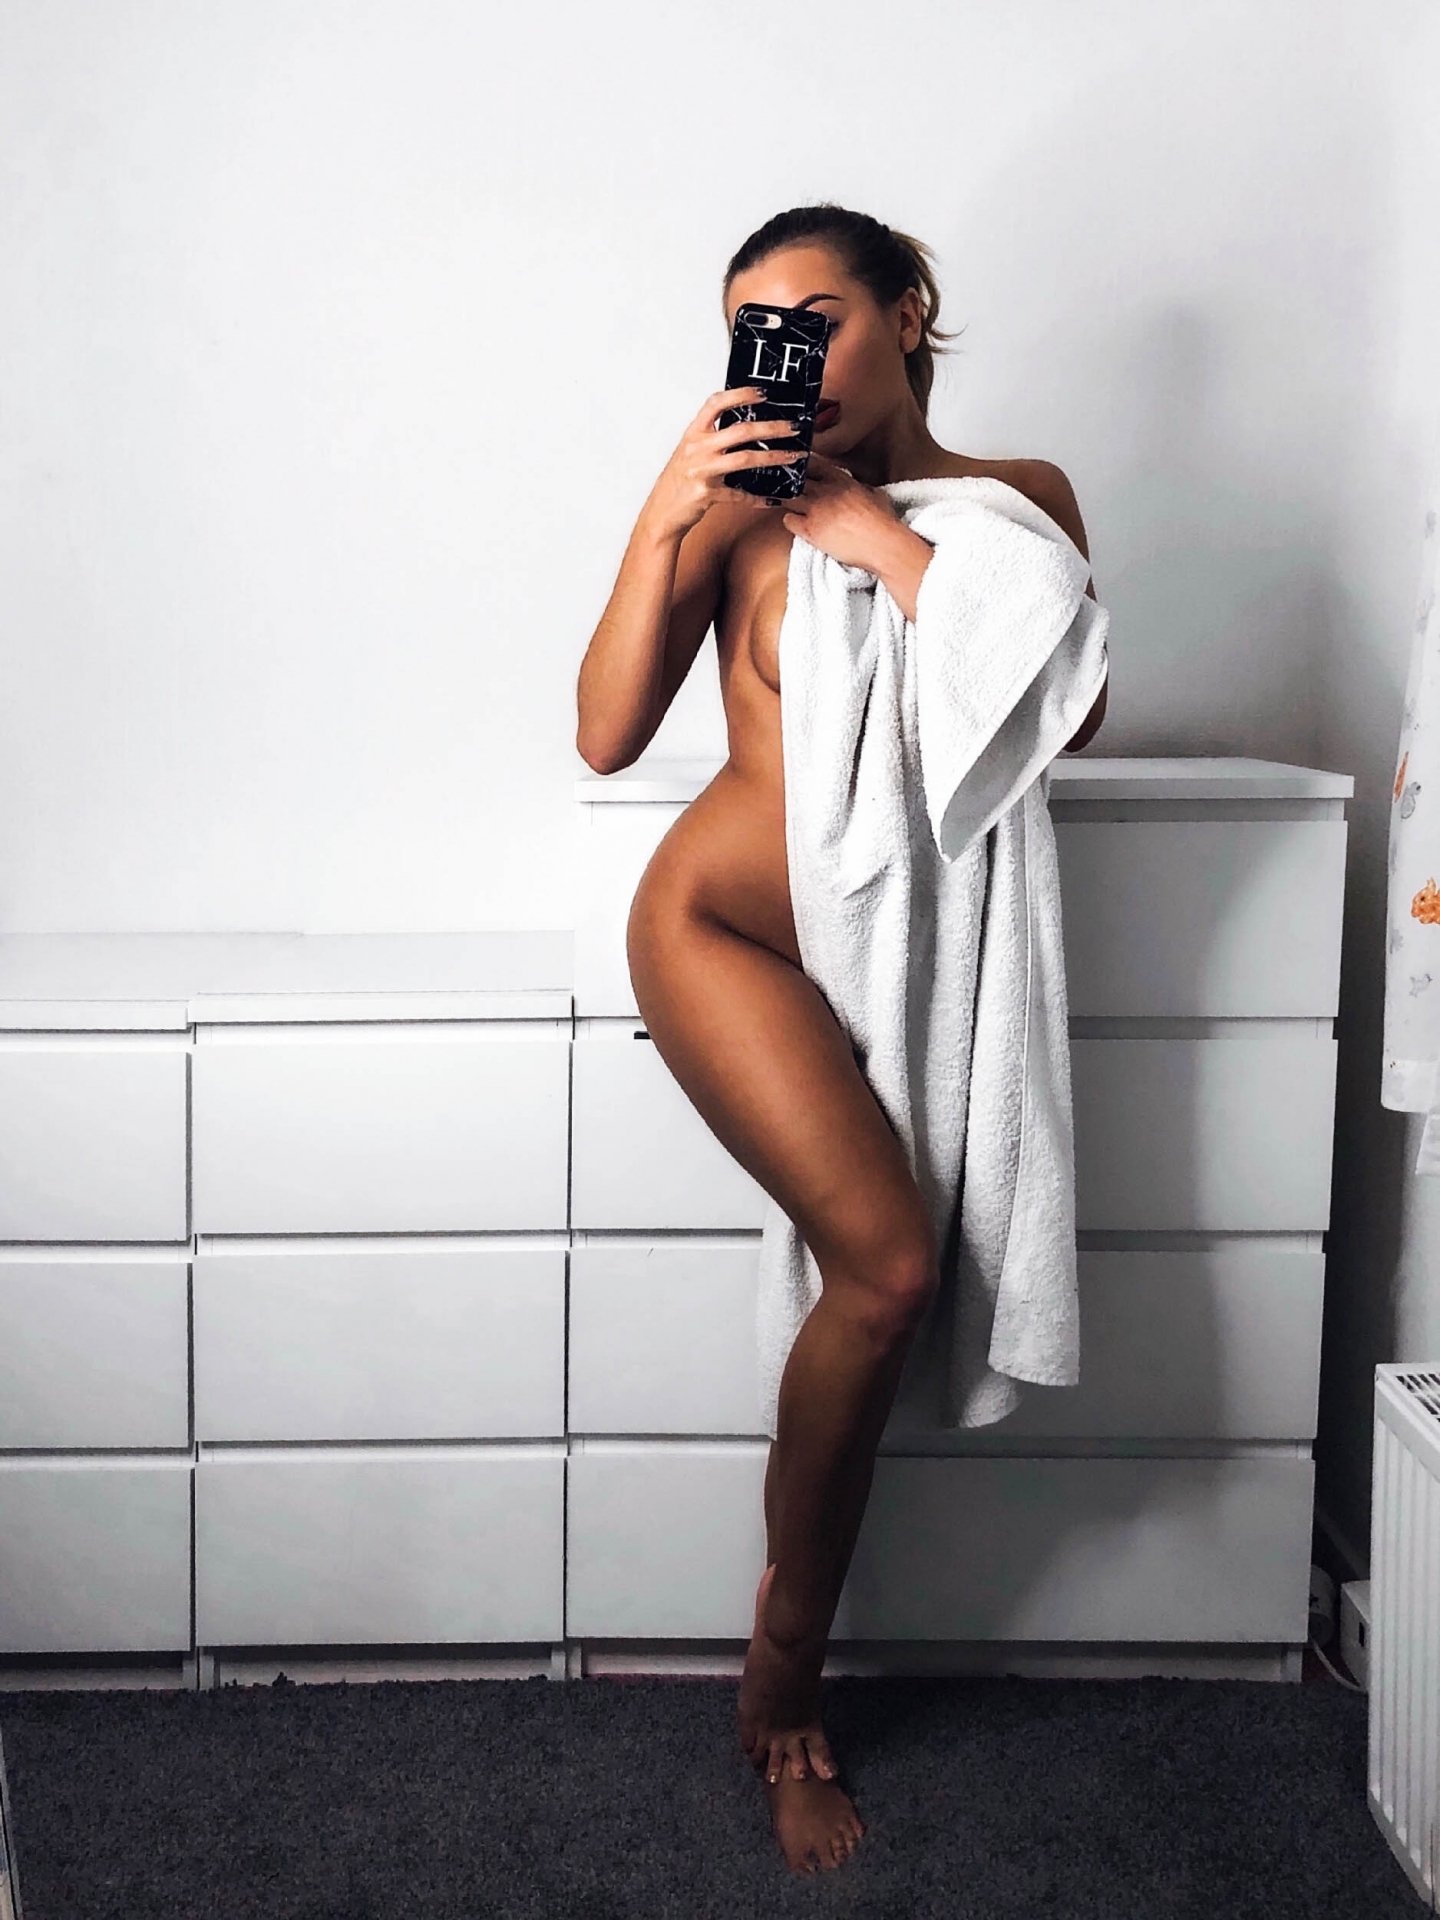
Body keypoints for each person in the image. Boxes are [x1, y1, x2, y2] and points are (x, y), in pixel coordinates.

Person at [574, 202, 1108, 1878]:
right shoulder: (732, 515)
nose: (787, 354)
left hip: (908, 965)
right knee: (887, 1267)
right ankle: (786, 1673)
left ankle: (784, 1645)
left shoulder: (1013, 501)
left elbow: (1078, 706)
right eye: (757, 329)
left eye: (817, 317)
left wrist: (875, 535)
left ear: (908, 313)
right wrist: (671, 510)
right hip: (722, 934)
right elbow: (604, 735)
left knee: (888, 1285)